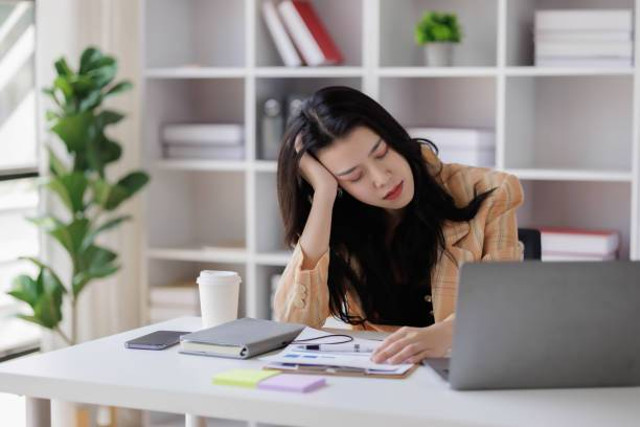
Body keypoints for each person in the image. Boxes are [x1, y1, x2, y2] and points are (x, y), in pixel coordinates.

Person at [274, 86, 523, 365]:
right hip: (381, 376)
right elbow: (292, 325)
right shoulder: (339, 218)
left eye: (381, 153)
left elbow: (503, 303)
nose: (382, 178)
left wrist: (444, 335)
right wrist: (323, 194)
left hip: (464, 369)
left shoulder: (491, 191)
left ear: (392, 136)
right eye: (354, 176)